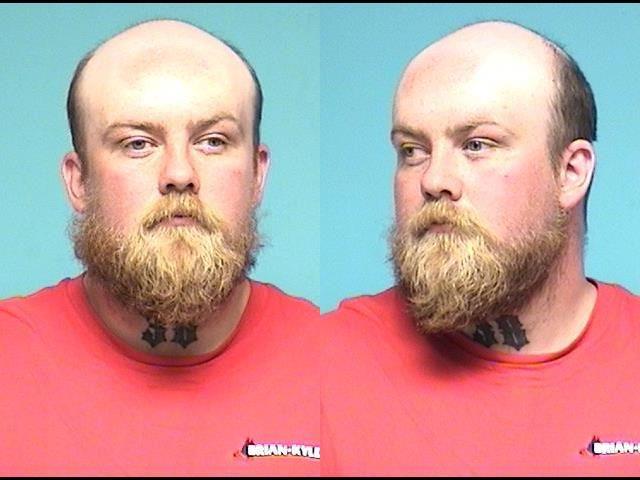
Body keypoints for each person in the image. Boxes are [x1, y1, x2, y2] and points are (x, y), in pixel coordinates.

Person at [0, 19, 319, 475]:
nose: (179, 174)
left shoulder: (331, 362)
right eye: (137, 144)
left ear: (257, 174)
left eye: (213, 141)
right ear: (79, 181)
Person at [321, 20, 640, 475]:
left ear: (571, 172)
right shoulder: (324, 367)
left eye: (476, 145)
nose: (434, 180)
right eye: (412, 150)